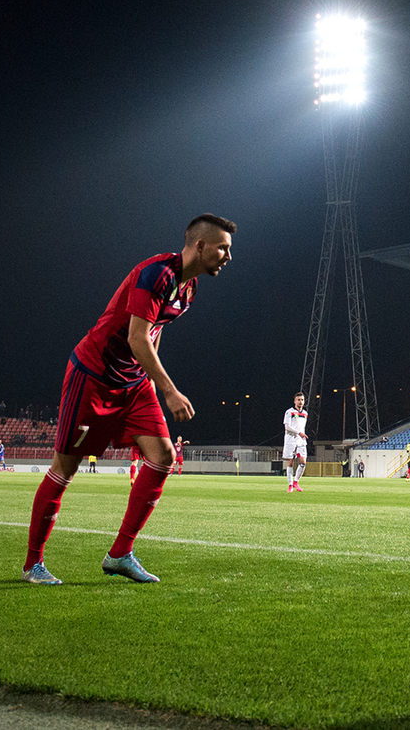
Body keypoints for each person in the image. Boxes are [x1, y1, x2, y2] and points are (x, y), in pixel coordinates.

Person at [21, 213, 235, 585]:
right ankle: (32, 565)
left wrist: (150, 381)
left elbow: (154, 332)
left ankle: (120, 553)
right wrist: (169, 390)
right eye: (223, 248)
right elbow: (137, 337)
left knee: (163, 456)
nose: (228, 257)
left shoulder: (189, 290)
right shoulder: (157, 274)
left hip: (134, 383)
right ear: (200, 245)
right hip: (94, 376)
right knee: (65, 469)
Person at [283, 393, 309, 492]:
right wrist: (299, 433)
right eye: (298, 400)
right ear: (295, 401)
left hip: (301, 440)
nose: (300, 402)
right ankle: (290, 485)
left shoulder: (305, 413)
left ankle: (296, 482)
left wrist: (301, 434)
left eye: (302, 400)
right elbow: (287, 427)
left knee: (303, 462)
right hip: (290, 439)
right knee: (290, 462)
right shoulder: (289, 412)